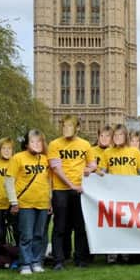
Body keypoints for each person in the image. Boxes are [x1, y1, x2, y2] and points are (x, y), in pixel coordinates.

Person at [47, 115, 96, 270]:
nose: (66, 129)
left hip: (79, 190)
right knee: (60, 227)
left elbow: (93, 163)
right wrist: (72, 185)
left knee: (80, 226)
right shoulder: (54, 144)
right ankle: (59, 260)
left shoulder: (85, 145)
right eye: (64, 126)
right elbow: (57, 169)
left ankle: (81, 259)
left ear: (78, 128)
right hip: (61, 190)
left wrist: (89, 169)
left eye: (69, 126)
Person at [97, 124, 140, 264]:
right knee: (112, 224)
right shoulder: (107, 153)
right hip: (113, 194)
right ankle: (112, 254)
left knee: (127, 224)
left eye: (121, 135)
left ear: (125, 136)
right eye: (116, 135)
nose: (118, 137)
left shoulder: (134, 152)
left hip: (129, 194)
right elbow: (102, 172)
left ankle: (126, 253)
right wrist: (94, 172)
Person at [5, 130, 51, 275]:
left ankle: (36, 262)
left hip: (43, 202)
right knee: (26, 236)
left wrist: (50, 201)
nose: (36, 144)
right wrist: (13, 202)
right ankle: (25, 264)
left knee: (39, 235)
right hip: (25, 203)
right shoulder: (18, 158)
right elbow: (8, 181)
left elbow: (48, 181)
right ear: (26, 144)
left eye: (39, 141)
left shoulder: (45, 159)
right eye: (33, 141)